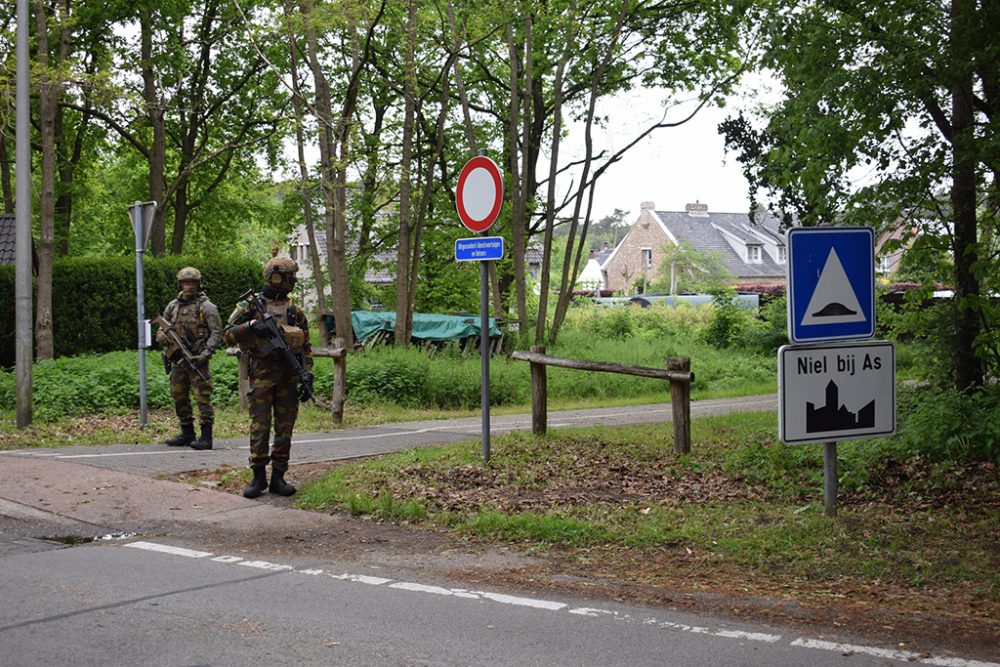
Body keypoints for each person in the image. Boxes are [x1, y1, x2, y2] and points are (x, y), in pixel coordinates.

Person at [223, 255, 313, 498]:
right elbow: (227, 334)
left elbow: (305, 345)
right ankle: (258, 477)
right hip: (262, 375)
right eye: (289, 277)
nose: (292, 282)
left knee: (285, 428)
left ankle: (278, 477)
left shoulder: (294, 311)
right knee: (260, 426)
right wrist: (251, 326)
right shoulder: (249, 307)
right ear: (277, 278)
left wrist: (308, 375)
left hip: (288, 376)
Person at [156, 266, 222, 450]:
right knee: (179, 396)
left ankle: (206, 437)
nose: (188, 286)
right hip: (178, 360)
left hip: (197, 361)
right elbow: (162, 327)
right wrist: (162, 335)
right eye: (185, 282)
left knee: (203, 397)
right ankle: (187, 433)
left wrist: (205, 354)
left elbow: (217, 333)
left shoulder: (207, 307)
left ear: (198, 283)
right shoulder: (173, 306)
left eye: (192, 282)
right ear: (180, 283)